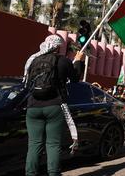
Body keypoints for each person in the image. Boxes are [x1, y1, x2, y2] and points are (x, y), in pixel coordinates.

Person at [23, 35, 85, 176]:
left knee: (34, 144)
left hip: (33, 106)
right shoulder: (63, 61)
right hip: (54, 106)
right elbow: (75, 79)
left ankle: (30, 173)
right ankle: (53, 173)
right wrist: (79, 61)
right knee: (53, 144)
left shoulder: (33, 60)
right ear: (57, 47)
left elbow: (27, 83)